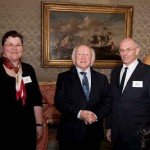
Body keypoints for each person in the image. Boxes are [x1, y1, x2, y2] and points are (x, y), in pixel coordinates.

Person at [54, 44, 112, 150]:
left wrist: (95, 115)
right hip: (69, 134)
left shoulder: (101, 79)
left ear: (92, 59)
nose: (83, 57)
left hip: (93, 134)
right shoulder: (63, 77)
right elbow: (59, 102)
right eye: (80, 54)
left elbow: (108, 101)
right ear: (74, 58)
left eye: (87, 54)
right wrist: (80, 113)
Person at [0, 30, 44, 150]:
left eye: (18, 45)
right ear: (3, 47)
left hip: (27, 128)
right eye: (10, 44)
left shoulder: (29, 69)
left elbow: (36, 99)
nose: (15, 48)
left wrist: (39, 124)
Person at [106, 38, 150, 150]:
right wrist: (110, 127)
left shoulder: (147, 72)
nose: (124, 53)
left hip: (139, 135)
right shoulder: (115, 72)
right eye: (121, 50)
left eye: (128, 49)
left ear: (137, 51)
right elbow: (113, 101)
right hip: (116, 133)